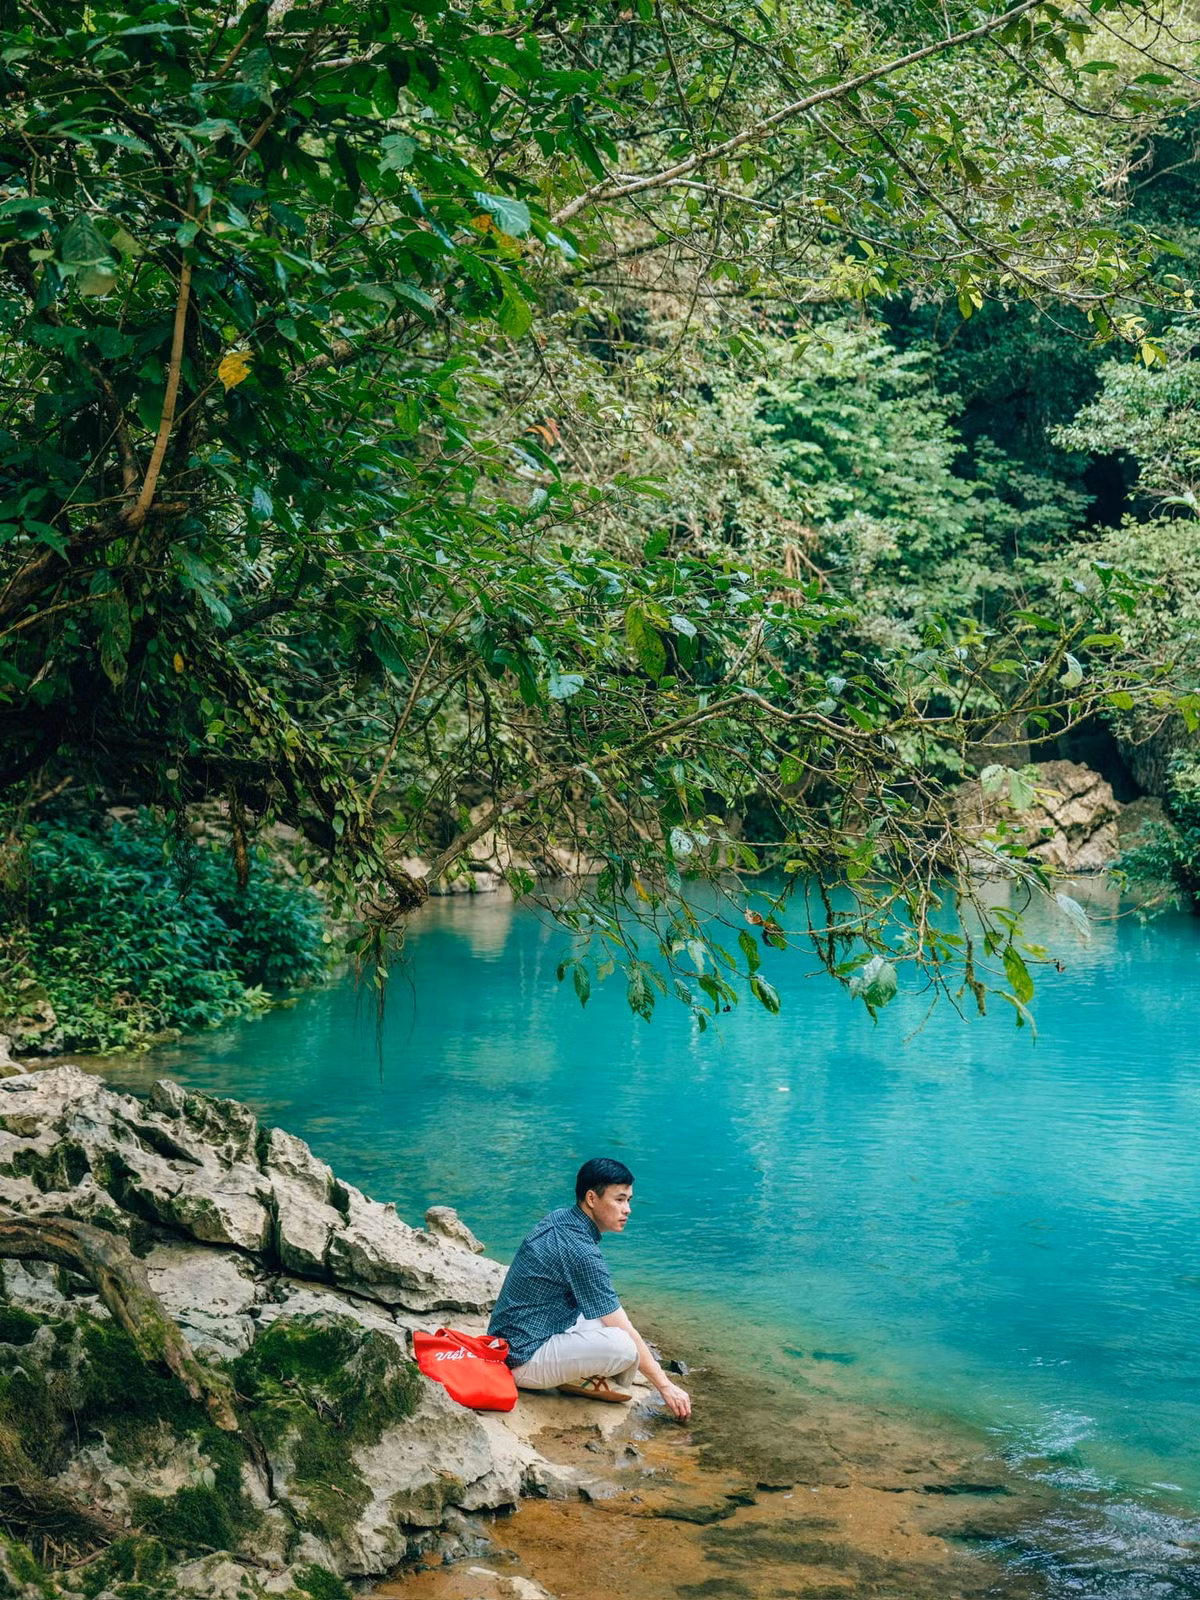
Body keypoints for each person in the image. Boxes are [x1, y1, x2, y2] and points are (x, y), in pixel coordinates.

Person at [487, 1157, 691, 1418]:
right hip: (521, 1359)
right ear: (592, 1199)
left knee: (604, 1318)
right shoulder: (581, 1252)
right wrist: (666, 1386)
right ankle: (575, 1378)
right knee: (624, 1344)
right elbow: (621, 1325)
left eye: (628, 1200)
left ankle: (578, 1375)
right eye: (619, 1200)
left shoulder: (561, 1218)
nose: (627, 1209)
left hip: (508, 1337)